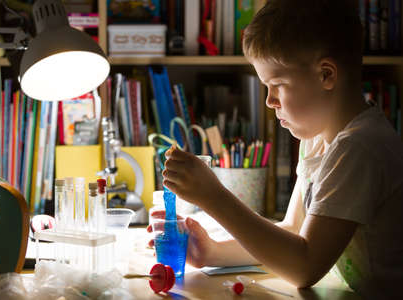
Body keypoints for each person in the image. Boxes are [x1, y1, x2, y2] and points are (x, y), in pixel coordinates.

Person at [152, 1, 403, 299]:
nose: (269, 101)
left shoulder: (359, 147)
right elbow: (294, 232)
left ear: (326, 75)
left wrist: (213, 196)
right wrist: (212, 252)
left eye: (277, 84)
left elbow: (304, 267)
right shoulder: (319, 139)